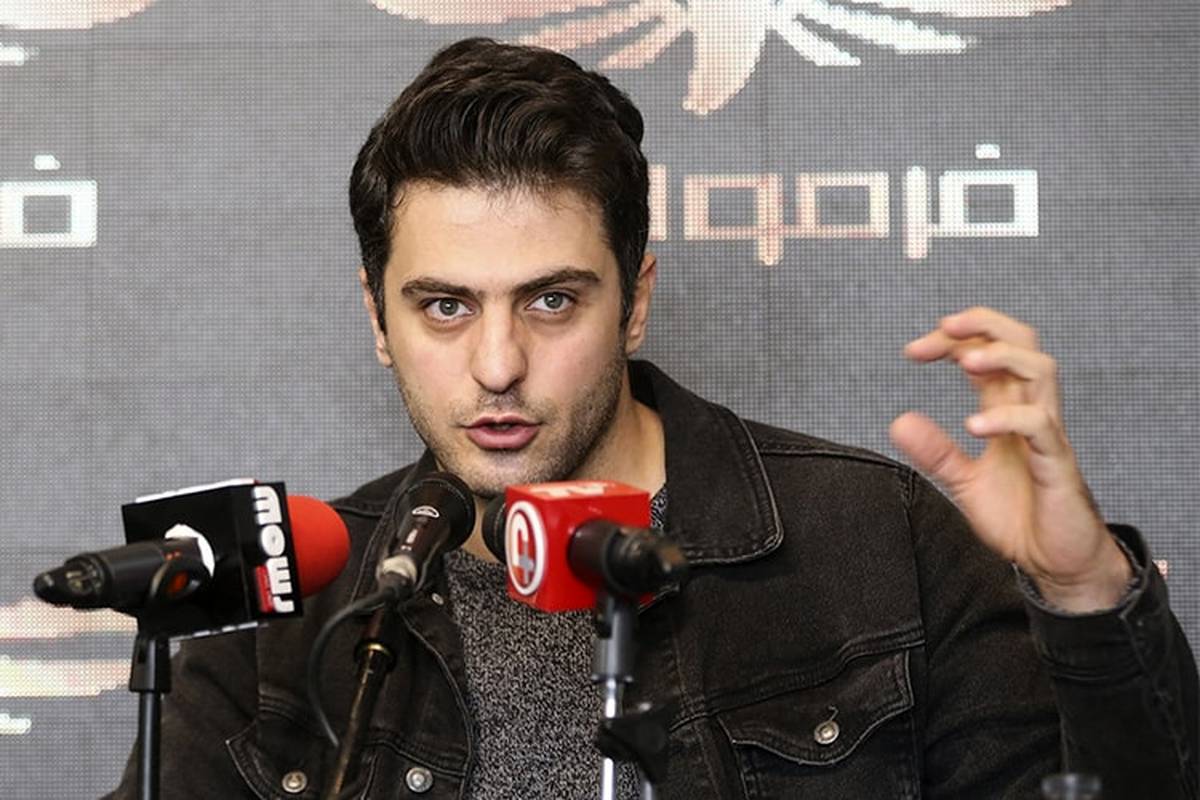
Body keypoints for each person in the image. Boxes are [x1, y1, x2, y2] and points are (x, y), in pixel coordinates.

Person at [109, 37, 1197, 799]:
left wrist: (1084, 593)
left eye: (552, 300)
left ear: (634, 301)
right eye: (445, 306)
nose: (497, 365)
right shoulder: (283, 613)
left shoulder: (878, 539)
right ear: (377, 317)